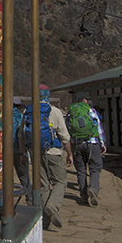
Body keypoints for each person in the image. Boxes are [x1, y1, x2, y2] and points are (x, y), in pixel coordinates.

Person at [37, 85, 73, 230]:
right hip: (53, 152)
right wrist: (69, 153)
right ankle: (52, 206)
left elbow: (22, 134)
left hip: (36, 153)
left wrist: (23, 153)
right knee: (60, 182)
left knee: (43, 185)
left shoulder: (29, 110)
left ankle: (46, 218)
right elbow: (64, 136)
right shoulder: (56, 111)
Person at [73, 97, 107, 207]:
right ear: (85, 100)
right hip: (92, 143)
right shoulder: (91, 111)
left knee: (81, 170)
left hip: (78, 144)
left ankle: (83, 196)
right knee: (95, 168)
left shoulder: (72, 112)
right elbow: (99, 128)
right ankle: (93, 189)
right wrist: (102, 143)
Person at [12, 97, 32, 206]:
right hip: (19, 151)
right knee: (24, 177)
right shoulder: (21, 117)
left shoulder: (2, 116)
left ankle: (6, 201)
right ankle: (30, 199)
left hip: (4, 152)